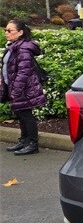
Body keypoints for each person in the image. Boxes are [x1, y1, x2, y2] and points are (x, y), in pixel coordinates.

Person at [1, 19, 46, 155]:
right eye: (5, 30)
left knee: (26, 115)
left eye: (9, 31)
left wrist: (16, 90)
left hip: (24, 88)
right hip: (15, 86)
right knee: (21, 114)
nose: (6, 33)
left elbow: (24, 71)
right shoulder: (13, 46)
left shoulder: (23, 48)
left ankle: (32, 144)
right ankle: (25, 141)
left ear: (20, 32)